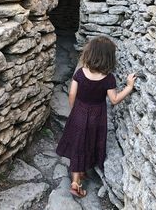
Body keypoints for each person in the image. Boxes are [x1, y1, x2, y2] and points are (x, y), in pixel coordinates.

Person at [56, 36, 136, 198]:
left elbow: (72, 93)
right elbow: (114, 100)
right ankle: (76, 182)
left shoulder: (80, 73)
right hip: (96, 117)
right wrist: (128, 87)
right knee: (88, 142)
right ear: (109, 58)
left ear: (90, 53)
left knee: (78, 143)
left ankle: (76, 177)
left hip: (79, 112)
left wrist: (74, 110)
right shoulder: (108, 79)